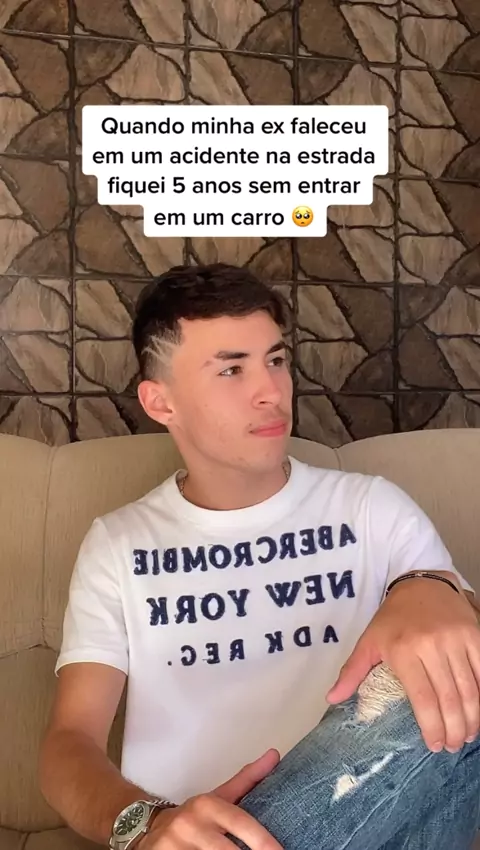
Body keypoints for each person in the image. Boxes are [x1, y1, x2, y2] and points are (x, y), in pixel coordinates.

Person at [39, 263, 480, 850]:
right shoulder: (119, 545)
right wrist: (148, 825)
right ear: (161, 402)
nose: (271, 390)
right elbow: (69, 744)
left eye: (275, 360)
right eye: (231, 369)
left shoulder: (371, 508)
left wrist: (432, 588)